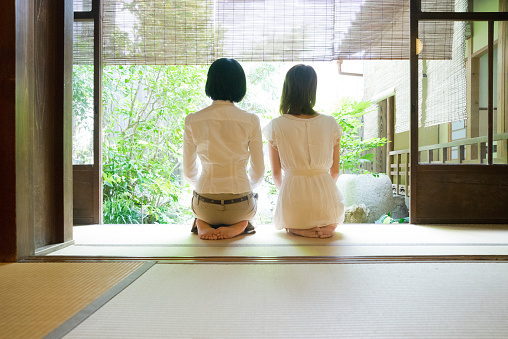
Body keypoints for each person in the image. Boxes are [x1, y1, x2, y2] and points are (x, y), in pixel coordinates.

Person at [183, 58, 264, 240]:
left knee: (200, 210)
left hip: (205, 206)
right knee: (251, 209)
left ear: (210, 83)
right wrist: (244, 187)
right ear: (239, 85)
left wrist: (205, 188)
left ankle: (202, 223)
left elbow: (189, 172)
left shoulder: (193, 120)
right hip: (240, 206)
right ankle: (242, 224)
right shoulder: (251, 120)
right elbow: (258, 172)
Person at [262, 64, 345, 238]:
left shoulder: (276, 125)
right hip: (325, 202)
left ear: (287, 89)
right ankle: (327, 226)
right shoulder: (331, 124)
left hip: (293, 201)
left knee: (290, 219)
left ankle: (296, 227)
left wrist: (290, 194)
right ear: (312, 89)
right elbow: (335, 171)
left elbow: (276, 174)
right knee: (333, 216)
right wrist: (322, 193)